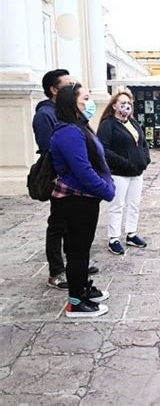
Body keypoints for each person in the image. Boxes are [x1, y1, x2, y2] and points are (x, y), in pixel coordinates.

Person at [50, 82, 115, 317]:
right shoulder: (68, 132)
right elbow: (83, 170)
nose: (90, 103)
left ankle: (83, 289)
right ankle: (75, 303)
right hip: (75, 200)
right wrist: (106, 190)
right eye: (85, 99)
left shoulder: (80, 127)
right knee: (77, 252)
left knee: (82, 250)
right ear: (72, 103)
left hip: (85, 199)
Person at [32, 69, 98, 291]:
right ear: (53, 90)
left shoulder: (68, 114)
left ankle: (75, 265)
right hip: (59, 180)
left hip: (73, 181)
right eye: (68, 85)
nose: (73, 88)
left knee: (72, 227)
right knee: (58, 225)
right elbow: (49, 149)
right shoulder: (45, 115)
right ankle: (57, 271)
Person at [97, 90, 151, 255]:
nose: (126, 107)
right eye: (122, 103)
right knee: (117, 205)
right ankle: (114, 238)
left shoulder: (133, 123)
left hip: (137, 171)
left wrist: (145, 159)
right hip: (119, 172)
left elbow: (142, 142)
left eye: (128, 104)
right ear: (114, 106)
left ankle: (131, 233)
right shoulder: (108, 124)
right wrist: (124, 162)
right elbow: (103, 149)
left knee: (134, 204)